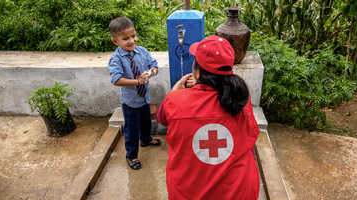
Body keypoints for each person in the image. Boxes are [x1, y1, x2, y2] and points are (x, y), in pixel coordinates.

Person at [156, 35, 260, 199]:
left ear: (197, 72)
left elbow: (161, 117)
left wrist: (176, 89)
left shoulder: (175, 101)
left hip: (189, 192)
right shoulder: (240, 97)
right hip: (239, 191)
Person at [108, 17, 161, 170]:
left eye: (133, 36)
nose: (131, 41)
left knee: (146, 123)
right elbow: (116, 79)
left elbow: (153, 63)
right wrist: (137, 82)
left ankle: (145, 140)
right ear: (115, 41)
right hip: (130, 102)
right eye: (125, 38)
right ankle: (131, 156)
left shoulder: (142, 51)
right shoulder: (116, 59)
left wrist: (153, 71)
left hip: (144, 99)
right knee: (131, 130)